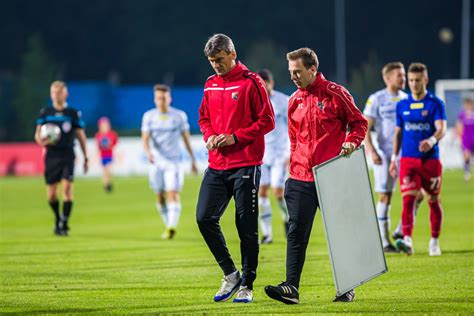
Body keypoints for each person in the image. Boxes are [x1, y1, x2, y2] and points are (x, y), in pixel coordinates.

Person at [264, 48, 367, 304]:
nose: (294, 77)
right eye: (291, 73)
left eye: (298, 72)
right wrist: (293, 169)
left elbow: (359, 123)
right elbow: (294, 139)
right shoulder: (293, 101)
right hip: (300, 177)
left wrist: (351, 143)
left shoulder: (336, 94)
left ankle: (347, 286)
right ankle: (291, 288)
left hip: (332, 174)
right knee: (296, 232)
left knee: (339, 233)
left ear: (312, 69)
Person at [196, 34, 275, 303]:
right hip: (217, 165)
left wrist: (235, 137)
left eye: (219, 59)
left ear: (232, 53)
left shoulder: (252, 82)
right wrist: (209, 136)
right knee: (204, 218)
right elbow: (203, 117)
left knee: (246, 227)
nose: (215, 65)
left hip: (246, 164)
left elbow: (267, 121)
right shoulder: (210, 84)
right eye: (211, 61)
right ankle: (231, 273)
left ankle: (247, 285)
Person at [389, 63, 447, 256]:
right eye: (411, 80)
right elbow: (398, 133)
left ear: (425, 80)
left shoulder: (435, 103)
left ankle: (434, 242)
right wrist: (393, 158)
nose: (413, 84)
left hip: (430, 160)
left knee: (433, 200)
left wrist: (432, 140)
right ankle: (407, 240)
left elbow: (442, 128)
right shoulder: (402, 105)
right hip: (408, 160)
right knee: (408, 199)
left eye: (417, 80)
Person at [141, 84, 197, 240]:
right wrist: (148, 153)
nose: (161, 101)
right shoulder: (149, 117)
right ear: (155, 99)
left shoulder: (179, 116)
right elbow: (145, 139)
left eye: (164, 98)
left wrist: (192, 160)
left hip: (174, 162)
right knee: (159, 195)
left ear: (170, 98)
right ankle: (168, 226)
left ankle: (172, 226)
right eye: (159, 98)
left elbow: (186, 139)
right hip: (156, 163)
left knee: (173, 193)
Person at [34, 80, 89, 236]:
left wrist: (86, 157)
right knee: (51, 195)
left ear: (66, 94)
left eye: (60, 92)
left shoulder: (72, 113)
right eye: (54, 92)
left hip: (67, 155)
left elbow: (81, 136)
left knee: (66, 189)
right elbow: (37, 134)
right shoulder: (45, 112)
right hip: (51, 156)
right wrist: (41, 141)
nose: (56, 95)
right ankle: (58, 218)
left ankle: (64, 223)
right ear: (51, 94)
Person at [256, 69, 290, 244]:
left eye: (265, 82)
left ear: (271, 83)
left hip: (280, 154)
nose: (262, 86)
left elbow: (293, 127)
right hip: (262, 154)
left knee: (278, 193)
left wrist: (289, 153)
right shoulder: (254, 101)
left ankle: (286, 218)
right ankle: (267, 233)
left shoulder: (283, 101)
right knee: (261, 192)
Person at [95, 116, 118, 193]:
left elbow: (115, 143)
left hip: (109, 155)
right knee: (105, 171)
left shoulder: (112, 134)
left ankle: (108, 183)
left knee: (108, 170)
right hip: (102, 156)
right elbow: (98, 145)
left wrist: (110, 145)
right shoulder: (98, 135)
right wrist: (103, 146)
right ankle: (106, 185)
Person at [456, 97, 474, 181]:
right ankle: (467, 173)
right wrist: (459, 137)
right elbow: (459, 126)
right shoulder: (462, 114)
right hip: (466, 138)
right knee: (466, 156)